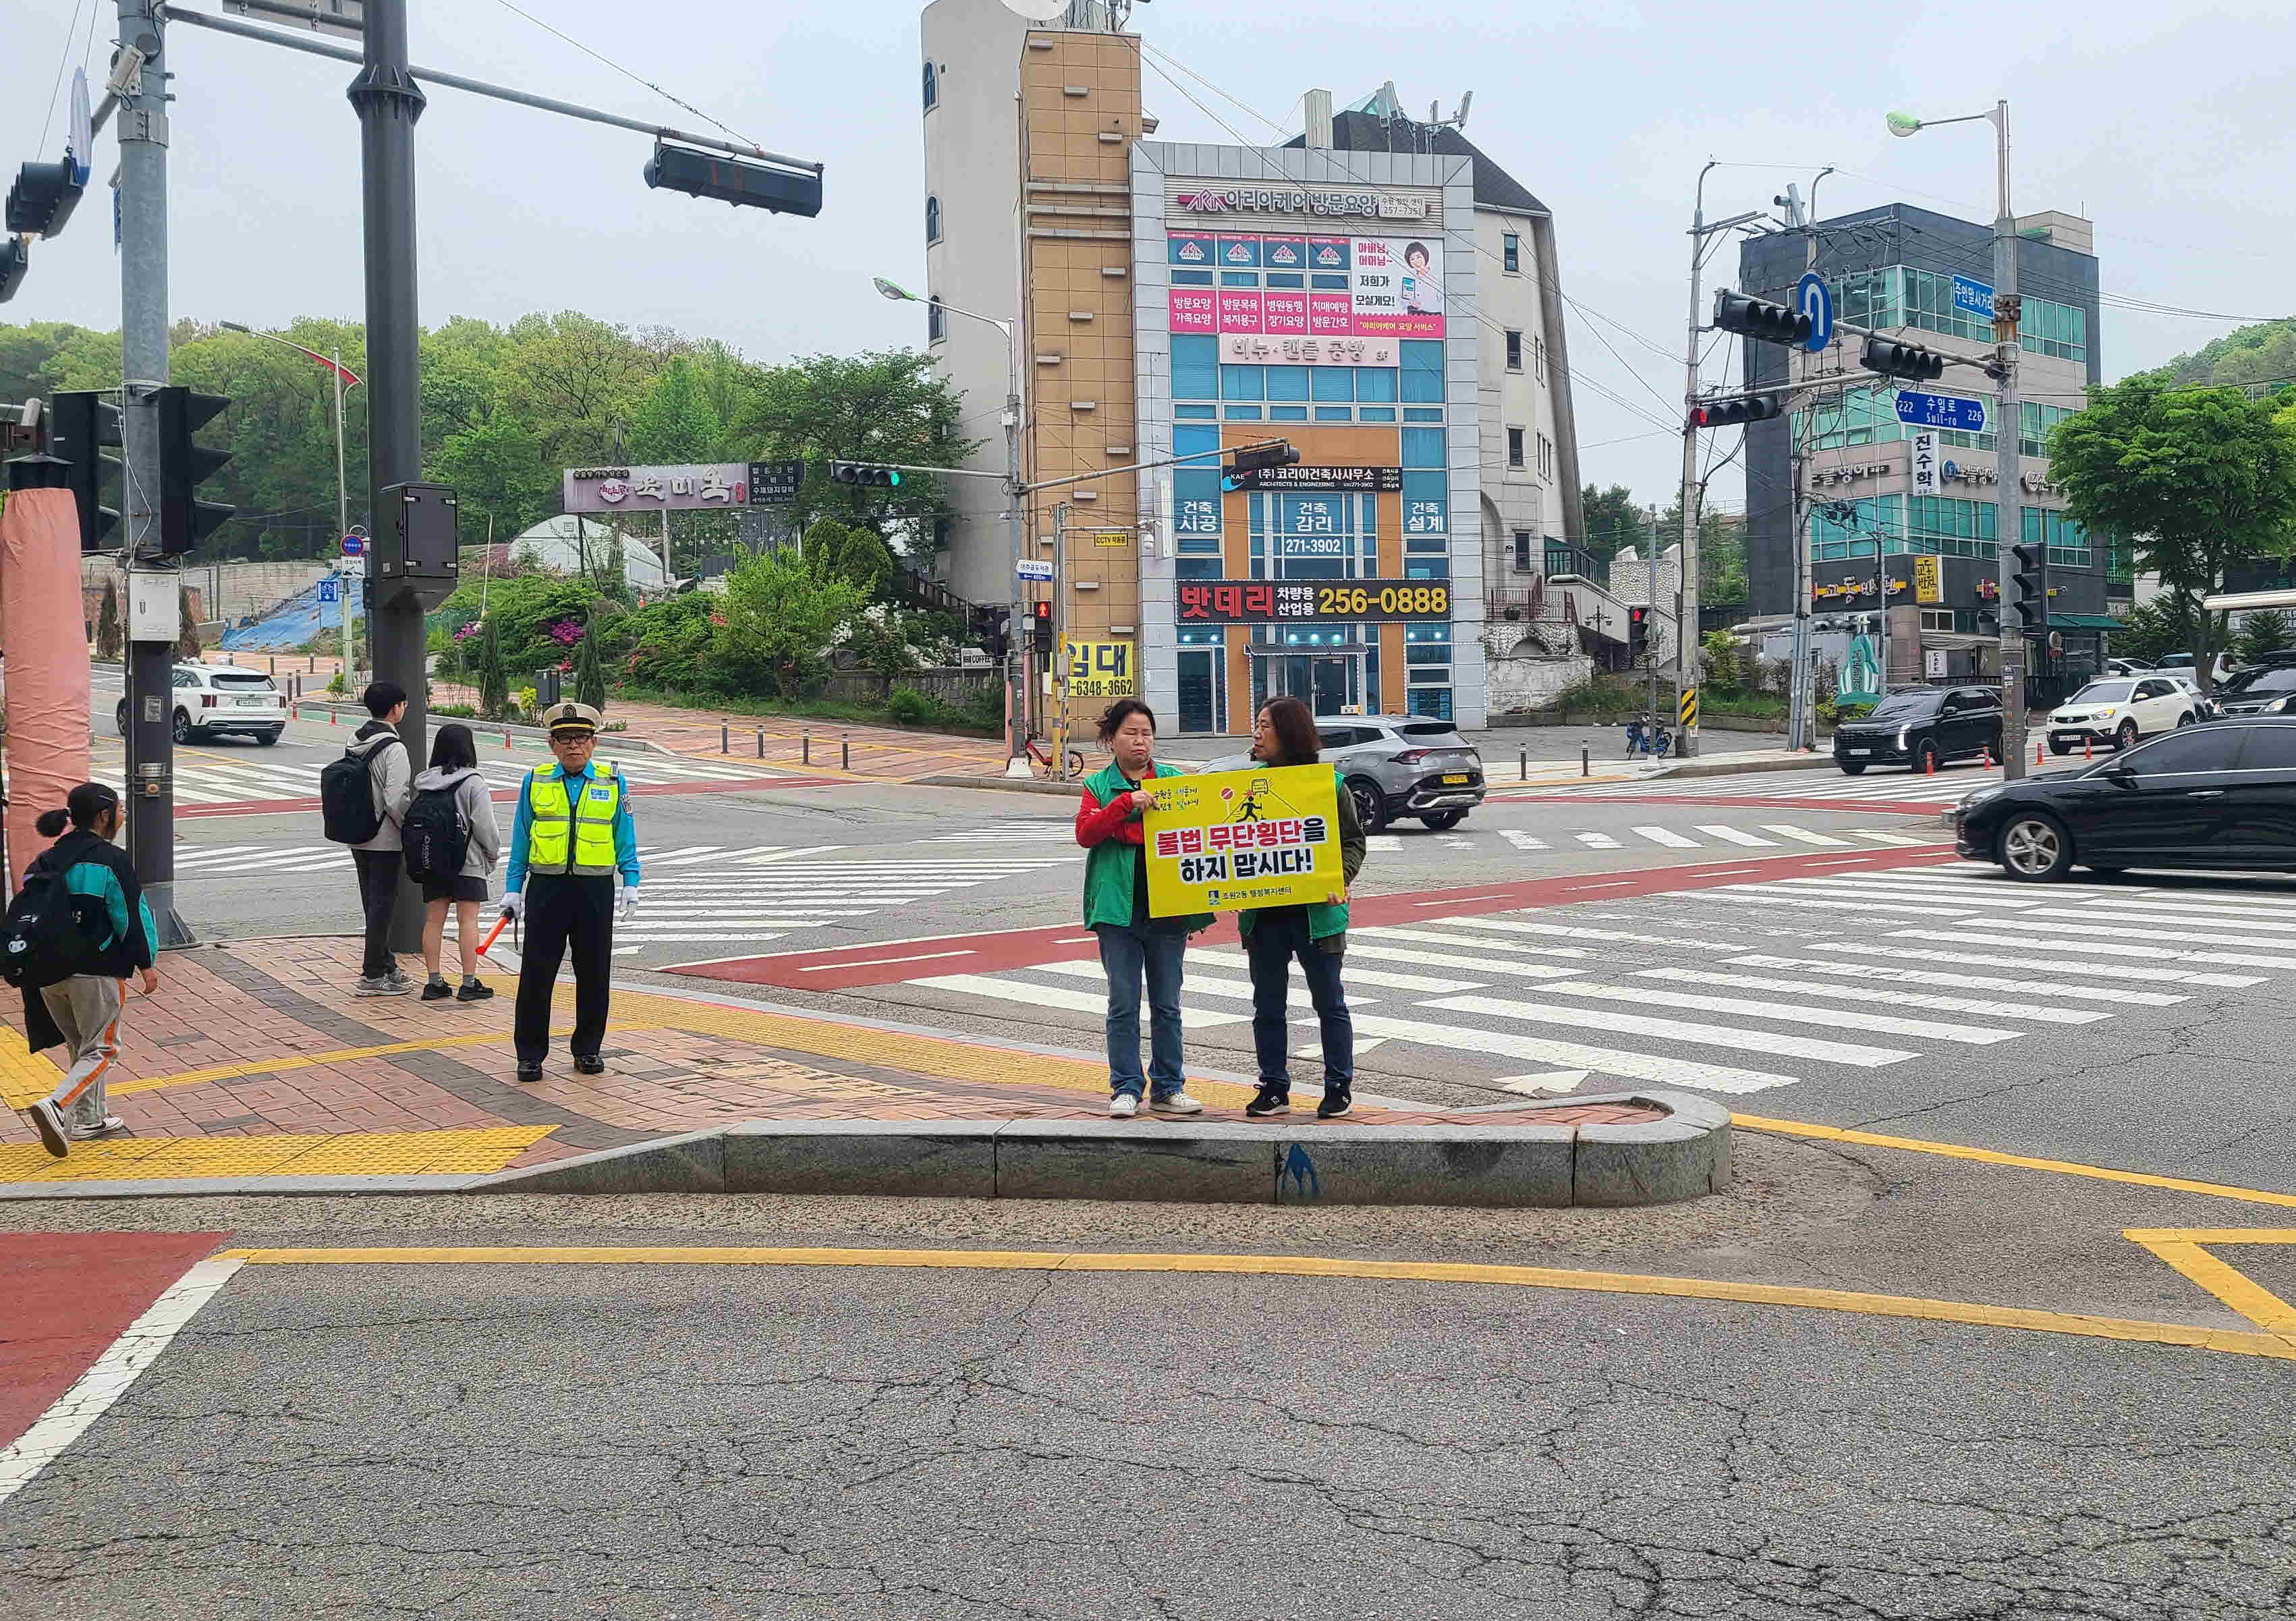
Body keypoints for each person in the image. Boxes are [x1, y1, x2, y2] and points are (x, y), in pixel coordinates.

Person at [1075, 696, 1208, 1118]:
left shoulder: (1172, 780)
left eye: (1146, 733)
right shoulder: (1098, 786)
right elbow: (1086, 834)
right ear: (1111, 739)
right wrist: (1123, 806)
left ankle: (1169, 1086)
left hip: (1168, 908)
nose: (1140, 741)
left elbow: (1200, 834)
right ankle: (1126, 1087)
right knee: (1123, 1002)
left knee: (1168, 1003)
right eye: (1130, 733)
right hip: (1118, 911)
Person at [13, 784, 160, 1158]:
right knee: (104, 1048)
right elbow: (130, 915)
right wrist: (146, 963)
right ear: (104, 816)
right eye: (121, 809)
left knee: (81, 1047)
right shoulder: (111, 859)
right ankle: (57, 1105)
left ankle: (89, 1120)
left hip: (47, 973)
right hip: (95, 970)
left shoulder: (47, 859)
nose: (123, 816)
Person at [1239, 696, 1367, 1120]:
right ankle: (1274, 1087)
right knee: (1268, 1005)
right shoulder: (1245, 786)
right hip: (1264, 915)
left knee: (1329, 1002)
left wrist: (1340, 879)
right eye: (1256, 725)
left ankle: (1338, 1087)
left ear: (1289, 733)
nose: (1256, 734)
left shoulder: (1328, 786)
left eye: (1264, 726)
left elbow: (1352, 842)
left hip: (1318, 915)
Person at [498, 701, 640, 1082]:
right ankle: (529, 1055)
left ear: (593, 743)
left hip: (595, 888)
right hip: (547, 888)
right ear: (552, 744)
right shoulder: (536, 779)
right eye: (564, 739)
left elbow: (623, 833)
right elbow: (521, 836)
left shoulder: (613, 781)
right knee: (536, 974)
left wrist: (631, 880)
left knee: (594, 972)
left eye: (580, 738)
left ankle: (588, 1049)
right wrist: (514, 890)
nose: (573, 745)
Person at [410, 722, 502, 1004]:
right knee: (468, 920)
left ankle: (434, 981)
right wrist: (492, 855)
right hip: (468, 861)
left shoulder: (423, 782)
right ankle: (469, 983)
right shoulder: (474, 782)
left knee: (434, 921)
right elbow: (485, 826)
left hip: (432, 860)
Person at [346, 680, 414, 995]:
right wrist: (407, 828)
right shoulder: (394, 748)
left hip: (358, 834)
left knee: (372, 905)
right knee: (382, 907)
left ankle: (388, 967)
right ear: (395, 708)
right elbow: (395, 798)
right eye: (404, 703)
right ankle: (371, 976)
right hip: (385, 838)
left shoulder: (355, 737)